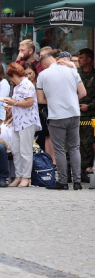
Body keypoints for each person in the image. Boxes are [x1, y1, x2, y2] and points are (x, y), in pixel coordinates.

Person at [36, 52, 87, 190]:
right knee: (74, 147)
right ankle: (77, 182)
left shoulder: (43, 75)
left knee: (59, 149)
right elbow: (83, 93)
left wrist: (53, 100)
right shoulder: (71, 70)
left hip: (56, 115)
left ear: (45, 65)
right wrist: (70, 99)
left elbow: (40, 100)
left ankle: (63, 181)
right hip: (74, 113)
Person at [0, 63, 41, 187]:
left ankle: (26, 177)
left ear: (16, 75)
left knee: (25, 150)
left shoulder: (27, 85)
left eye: (11, 77)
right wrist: (11, 108)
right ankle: (19, 175)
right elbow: (18, 103)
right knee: (15, 149)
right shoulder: (17, 87)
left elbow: (29, 102)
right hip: (18, 122)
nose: (10, 80)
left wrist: (14, 103)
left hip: (27, 122)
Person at [76, 48, 95, 182]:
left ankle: (84, 170)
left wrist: (89, 106)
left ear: (89, 59)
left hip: (90, 115)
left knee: (87, 143)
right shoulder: (77, 74)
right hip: (75, 112)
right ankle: (73, 170)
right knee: (74, 143)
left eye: (81, 58)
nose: (79, 60)